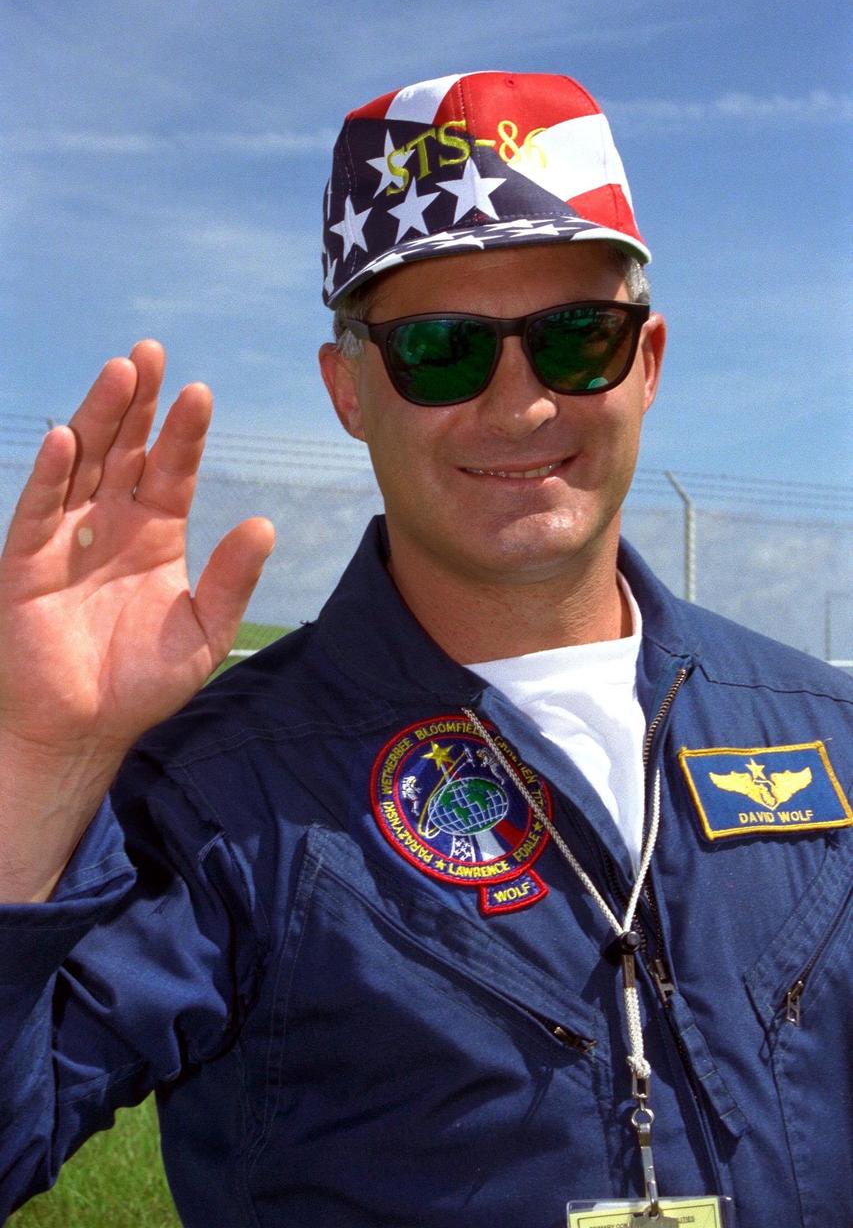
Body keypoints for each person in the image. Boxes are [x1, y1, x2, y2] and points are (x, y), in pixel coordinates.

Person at [0, 70, 849, 1228]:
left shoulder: (822, 732)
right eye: (443, 349)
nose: (520, 403)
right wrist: (34, 767)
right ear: (349, 386)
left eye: (576, 339)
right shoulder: (219, 790)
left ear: (645, 360)